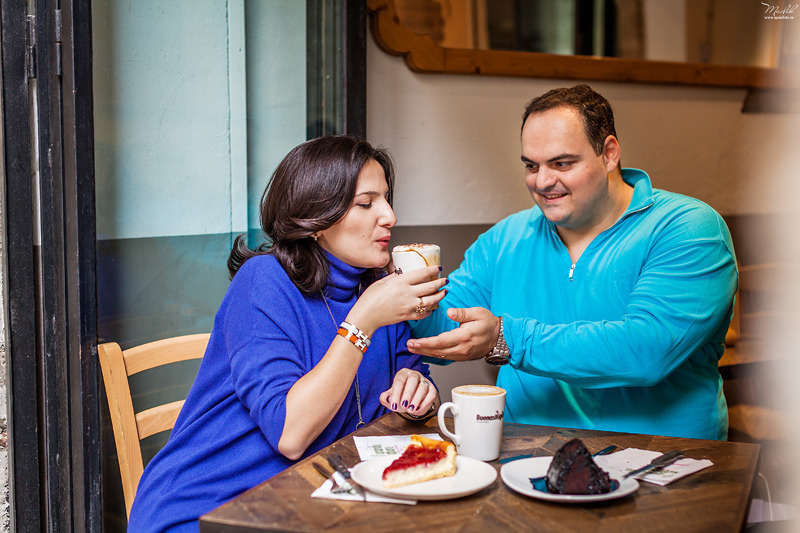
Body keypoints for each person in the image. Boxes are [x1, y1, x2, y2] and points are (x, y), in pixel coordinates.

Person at [128, 135, 447, 531]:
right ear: (316, 218)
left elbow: (415, 395)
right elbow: (290, 434)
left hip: (312, 502)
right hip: (213, 509)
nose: (389, 216)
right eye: (365, 203)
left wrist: (419, 392)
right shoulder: (263, 283)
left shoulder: (378, 288)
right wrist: (363, 321)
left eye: (386, 199)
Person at [407, 85, 737, 441]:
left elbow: (645, 350)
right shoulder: (506, 238)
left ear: (609, 154)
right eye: (531, 166)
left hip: (662, 465)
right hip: (526, 458)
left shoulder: (689, 229)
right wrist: (410, 297)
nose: (543, 182)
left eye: (561, 163)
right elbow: (443, 331)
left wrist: (505, 338)